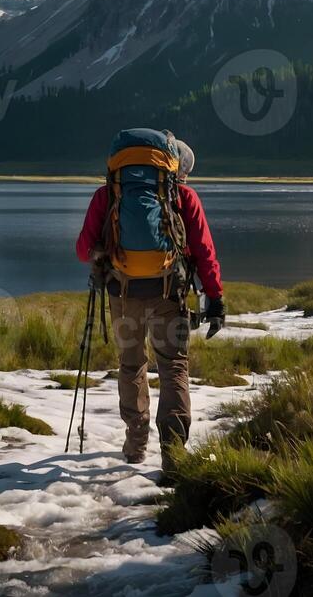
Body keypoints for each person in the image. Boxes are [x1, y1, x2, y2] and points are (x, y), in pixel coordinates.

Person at [76, 128, 224, 474]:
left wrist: (103, 254)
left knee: (132, 365)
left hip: (123, 296)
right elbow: (204, 252)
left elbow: (83, 250)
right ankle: (172, 452)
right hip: (168, 294)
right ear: (172, 167)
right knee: (173, 365)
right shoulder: (183, 197)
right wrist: (215, 298)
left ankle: (135, 444)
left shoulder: (107, 195)